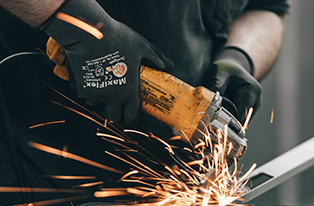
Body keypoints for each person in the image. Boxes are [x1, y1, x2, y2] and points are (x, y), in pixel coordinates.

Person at [0, 0, 289, 205]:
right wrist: (73, 22)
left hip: (177, 176)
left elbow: (267, 9)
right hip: (39, 165)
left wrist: (240, 58)